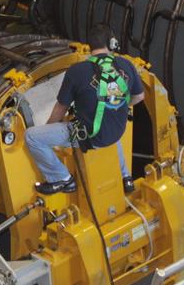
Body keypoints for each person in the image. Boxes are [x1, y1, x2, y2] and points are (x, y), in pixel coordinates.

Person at [25, 23, 144, 195]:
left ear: (90, 46)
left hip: (88, 137)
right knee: (109, 117)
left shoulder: (76, 71)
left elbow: (60, 108)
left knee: (32, 137)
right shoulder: (127, 64)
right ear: (112, 43)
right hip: (117, 131)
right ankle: (125, 176)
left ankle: (62, 179)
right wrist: (120, 106)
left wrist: (48, 128)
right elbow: (139, 97)